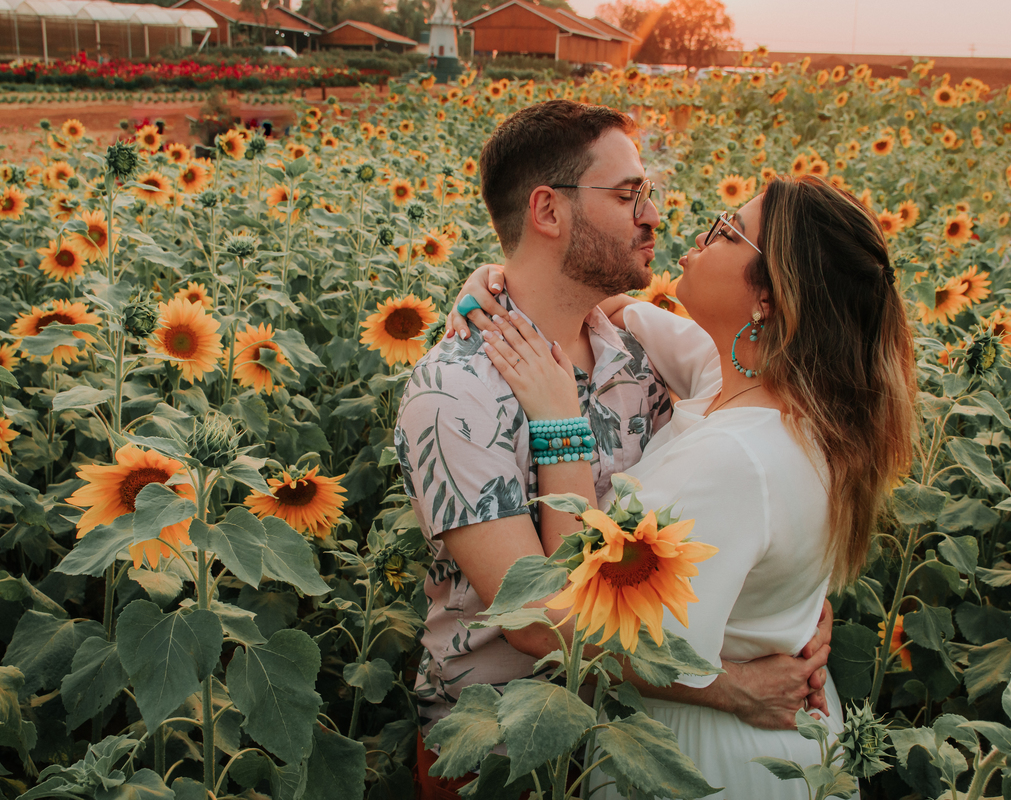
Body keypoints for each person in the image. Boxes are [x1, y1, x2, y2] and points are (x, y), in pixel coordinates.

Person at [393, 100, 833, 800]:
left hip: (625, 743)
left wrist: (792, 606)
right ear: (548, 211)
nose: (653, 215)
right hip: (500, 750)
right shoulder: (456, 391)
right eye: (628, 195)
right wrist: (729, 690)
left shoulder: (636, 358)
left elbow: (721, 521)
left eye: (647, 193)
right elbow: (537, 620)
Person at [456, 174, 918, 799]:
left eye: (728, 232)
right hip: (785, 742)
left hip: (704, 758)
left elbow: (573, 614)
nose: (698, 239)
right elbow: (622, 310)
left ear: (771, 298)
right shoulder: (781, 396)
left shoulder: (733, 458)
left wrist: (560, 423)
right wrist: (502, 281)